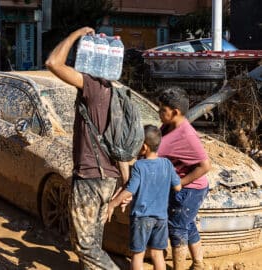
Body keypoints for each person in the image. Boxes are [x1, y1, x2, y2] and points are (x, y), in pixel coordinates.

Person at [45, 27, 121, 269]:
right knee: (94, 243)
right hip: (108, 177)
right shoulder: (114, 89)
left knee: (83, 245)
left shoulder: (93, 86)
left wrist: (75, 34)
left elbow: (53, 63)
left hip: (90, 177)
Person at [107, 125, 181, 270]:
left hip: (141, 217)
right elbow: (177, 186)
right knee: (157, 254)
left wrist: (112, 204)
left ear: (144, 147)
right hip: (161, 218)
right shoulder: (167, 164)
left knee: (137, 255)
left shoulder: (139, 166)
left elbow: (130, 190)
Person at [157, 87, 211, 270]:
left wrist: (180, 183)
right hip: (185, 188)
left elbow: (205, 165)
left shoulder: (186, 135)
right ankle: (198, 264)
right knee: (187, 225)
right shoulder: (168, 126)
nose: (159, 113)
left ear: (175, 112)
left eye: (162, 110)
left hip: (190, 190)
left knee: (177, 229)